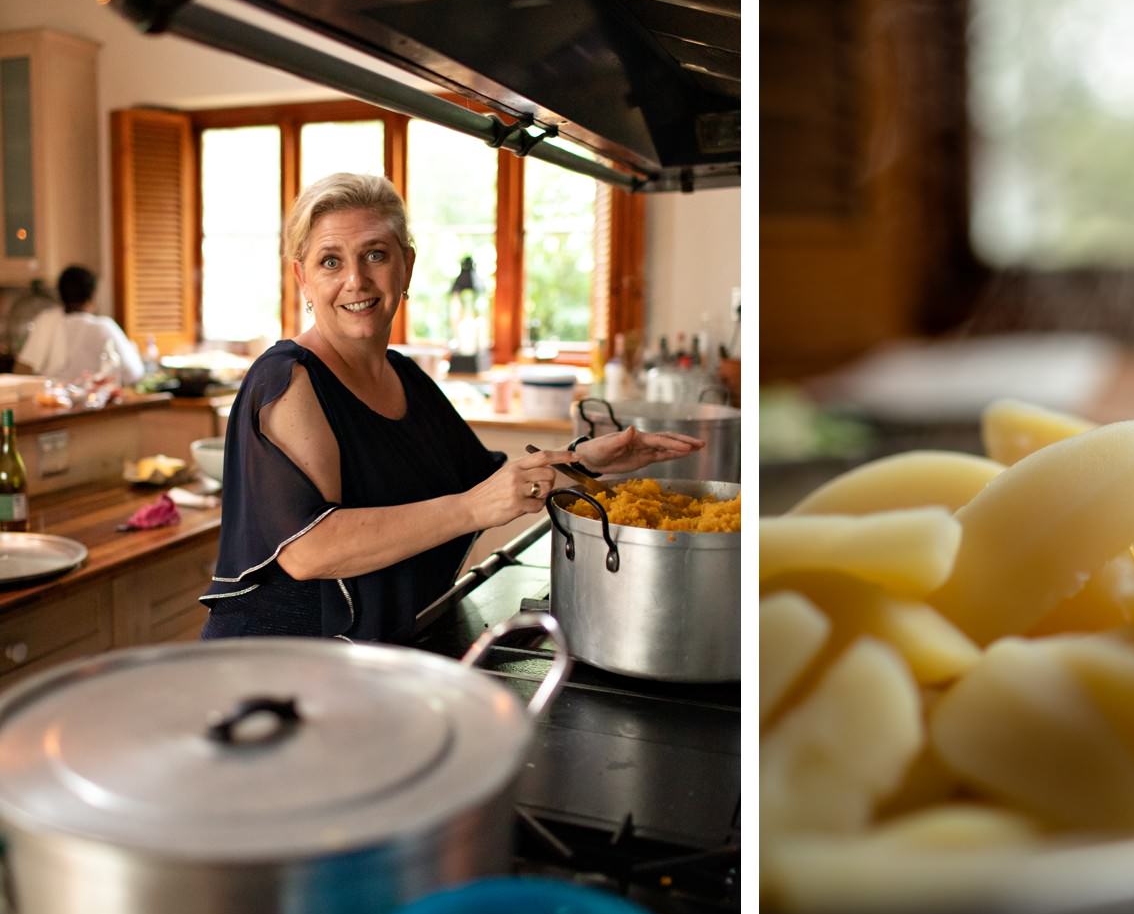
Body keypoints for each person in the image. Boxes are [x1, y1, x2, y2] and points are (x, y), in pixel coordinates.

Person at [200, 172, 704, 642]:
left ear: (407, 266)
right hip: (281, 670)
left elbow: (486, 481)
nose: (355, 280)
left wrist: (585, 461)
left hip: (370, 656)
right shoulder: (288, 378)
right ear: (302, 278)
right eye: (330, 261)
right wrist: (473, 508)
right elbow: (310, 550)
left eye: (375, 254)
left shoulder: (408, 378)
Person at [16, 266, 144, 385]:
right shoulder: (104, 327)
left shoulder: (46, 321)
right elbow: (134, 373)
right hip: (95, 402)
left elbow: (21, 369)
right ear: (92, 295)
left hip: (54, 403)